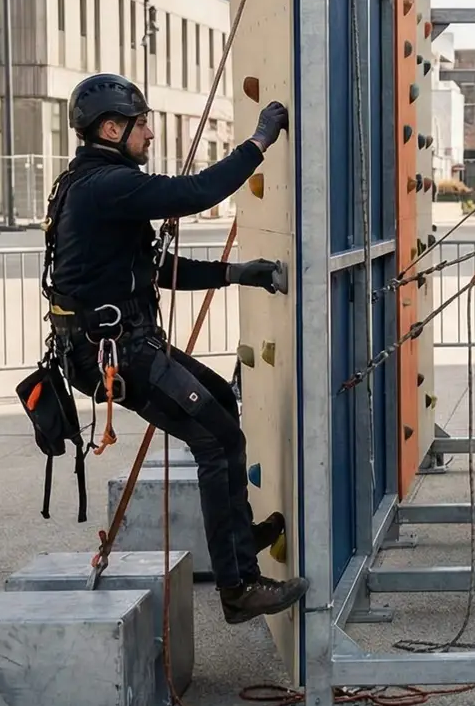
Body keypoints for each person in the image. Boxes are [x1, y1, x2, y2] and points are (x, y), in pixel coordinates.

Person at [45, 72, 306, 625]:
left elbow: (156, 268)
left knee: (220, 401)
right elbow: (195, 194)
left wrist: (235, 272)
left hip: (121, 344)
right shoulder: (106, 185)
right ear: (110, 130)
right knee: (215, 438)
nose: (150, 135)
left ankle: (237, 537)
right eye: (141, 125)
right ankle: (239, 587)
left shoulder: (90, 184)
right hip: (116, 353)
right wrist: (258, 142)